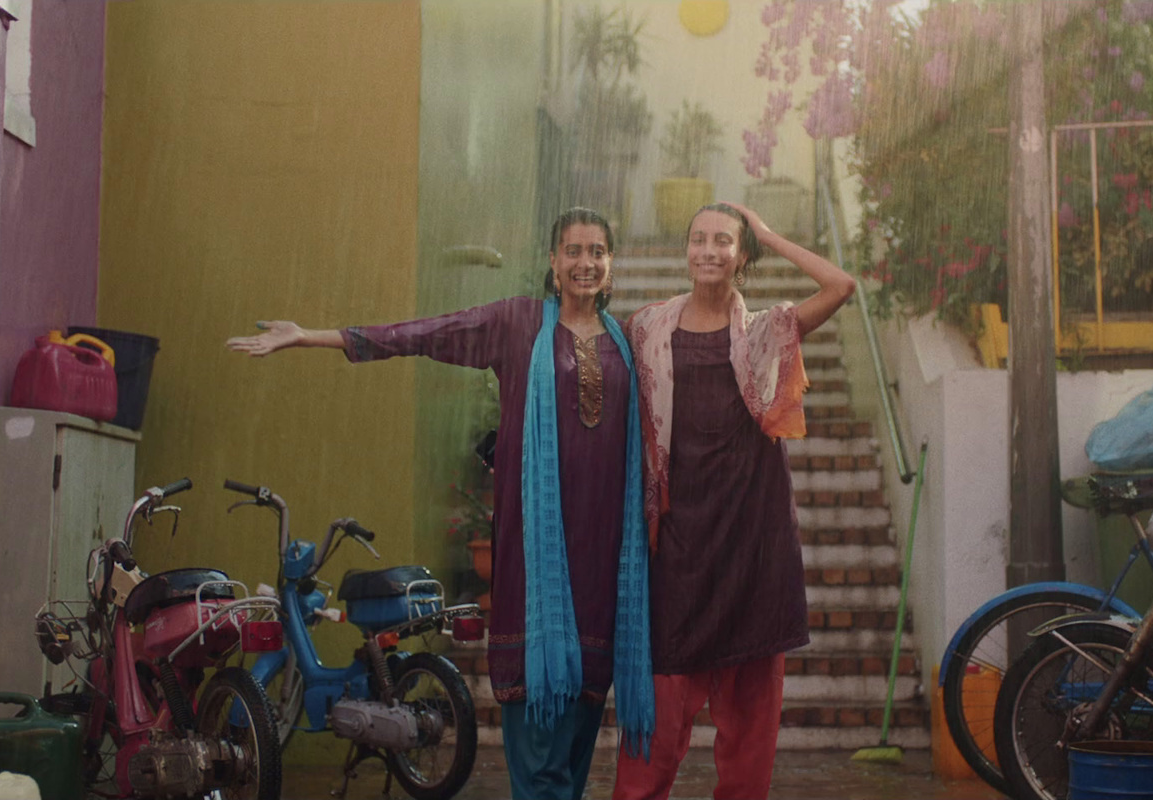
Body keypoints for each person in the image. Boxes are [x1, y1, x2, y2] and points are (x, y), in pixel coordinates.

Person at [226, 208, 654, 800]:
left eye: (598, 252)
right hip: (537, 568)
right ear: (552, 264)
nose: (585, 262)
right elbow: (425, 334)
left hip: (604, 567)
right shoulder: (517, 324)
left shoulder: (626, 344)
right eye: (573, 251)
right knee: (539, 735)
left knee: (578, 736)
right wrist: (317, 336)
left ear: (612, 265)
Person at [613, 202, 857, 800]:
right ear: (685, 249)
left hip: (753, 546)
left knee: (750, 732)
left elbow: (841, 285)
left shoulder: (764, 334)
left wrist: (771, 232)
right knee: (658, 717)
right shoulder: (645, 329)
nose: (708, 250)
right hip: (678, 546)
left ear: (742, 255)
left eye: (723, 240)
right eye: (698, 239)